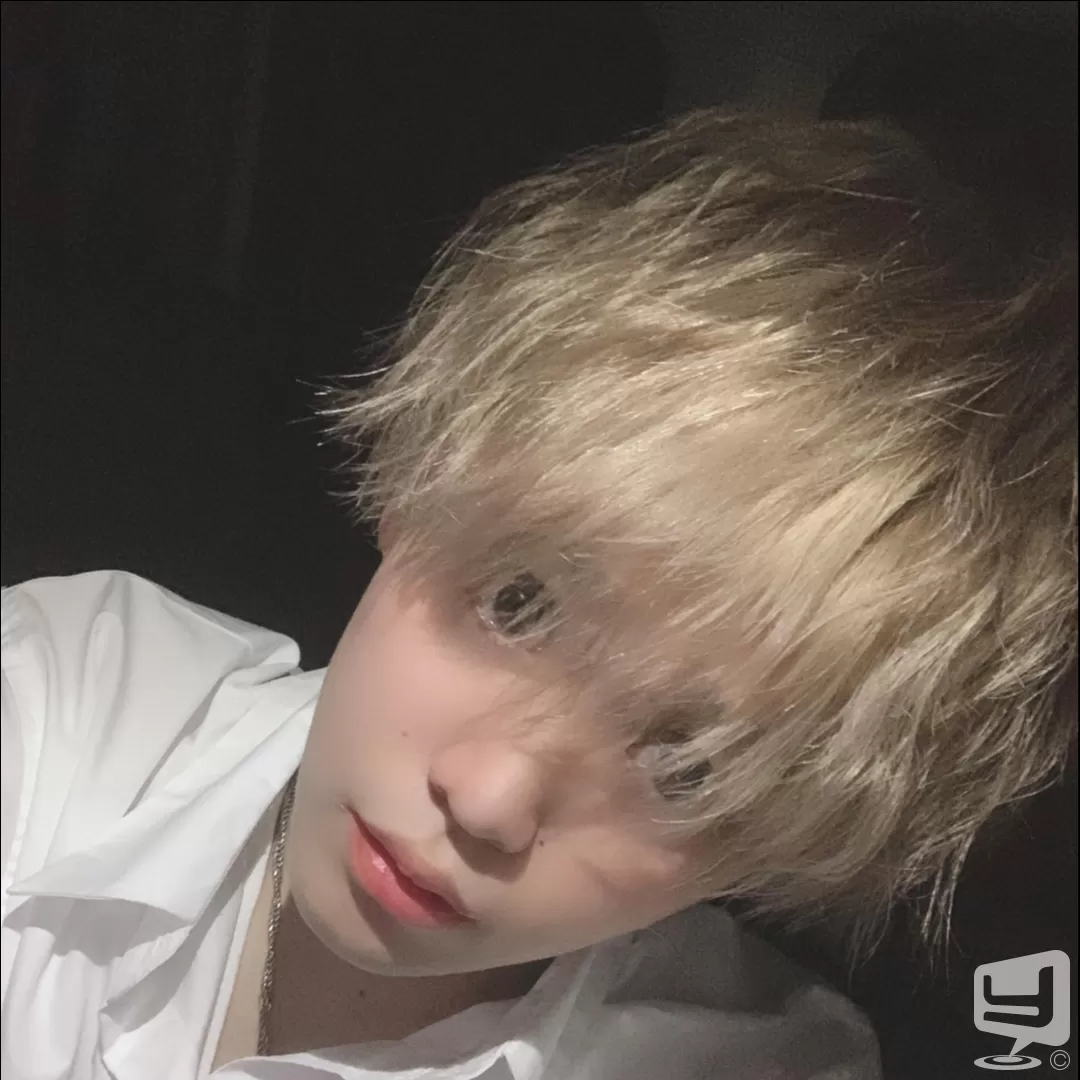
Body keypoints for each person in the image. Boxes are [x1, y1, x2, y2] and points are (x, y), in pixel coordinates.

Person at [2, 109, 1075, 1079]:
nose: (489, 800)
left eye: (690, 768)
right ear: (418, 490)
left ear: (772, 848)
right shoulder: (64, 706)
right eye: (519, 603)